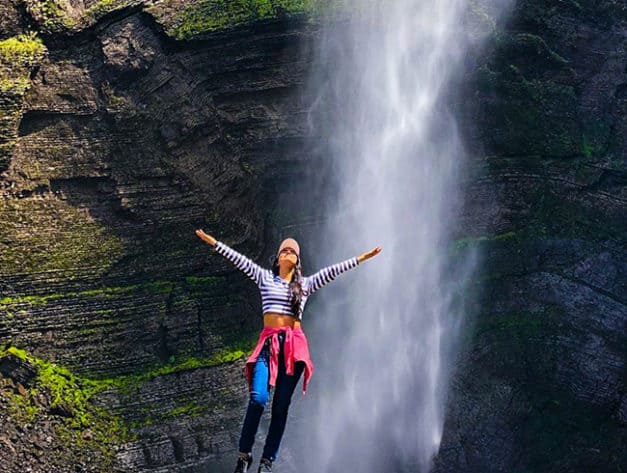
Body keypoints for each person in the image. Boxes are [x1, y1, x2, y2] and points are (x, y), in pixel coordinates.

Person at [195, 229, 381, 473]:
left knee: (281, 407)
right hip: (268, 345)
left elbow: (334, 270)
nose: (289, 251)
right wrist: (214, 242)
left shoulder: (305, 284)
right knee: (259, 398)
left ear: (298, 260)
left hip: (293, 349)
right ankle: (244, 455)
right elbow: (238, 259)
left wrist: (362, 258)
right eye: (285, 249)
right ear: (277, 258)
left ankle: (267, 461)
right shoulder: (264, 278)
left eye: (293, 250)